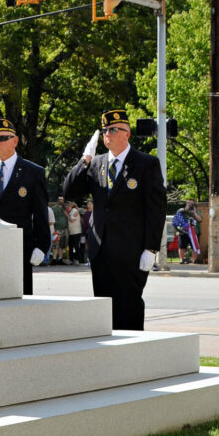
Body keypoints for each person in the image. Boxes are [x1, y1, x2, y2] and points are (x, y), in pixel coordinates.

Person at [63, 109, 166, 331]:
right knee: (103, 310)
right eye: (105, 130)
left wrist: (151, 248)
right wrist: (84, 161)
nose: (107, 134)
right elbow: (69, 191)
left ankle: (132, 356)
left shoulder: (146, 164)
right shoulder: (96, 164)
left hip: (131, 250)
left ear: (126, 133)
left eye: (112, 129)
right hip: (101, 250)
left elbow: (156, 209)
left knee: (129, 307)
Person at [0, 117, 50, 295]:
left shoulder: (33, 172)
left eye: (2, 138)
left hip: (19, 245)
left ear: (14, 141)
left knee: (19, 296)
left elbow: (40, 213)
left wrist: (42, 245)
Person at [51, 196, 69, 265]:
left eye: (62, 199)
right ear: (57, 200)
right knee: (55, 245)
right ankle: (54, 259)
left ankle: (60, 259)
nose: (60, 200)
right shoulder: (54, 208)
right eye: (59, 199)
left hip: (65, 229)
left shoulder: (66, 208)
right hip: (56, 229)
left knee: (62, 244)